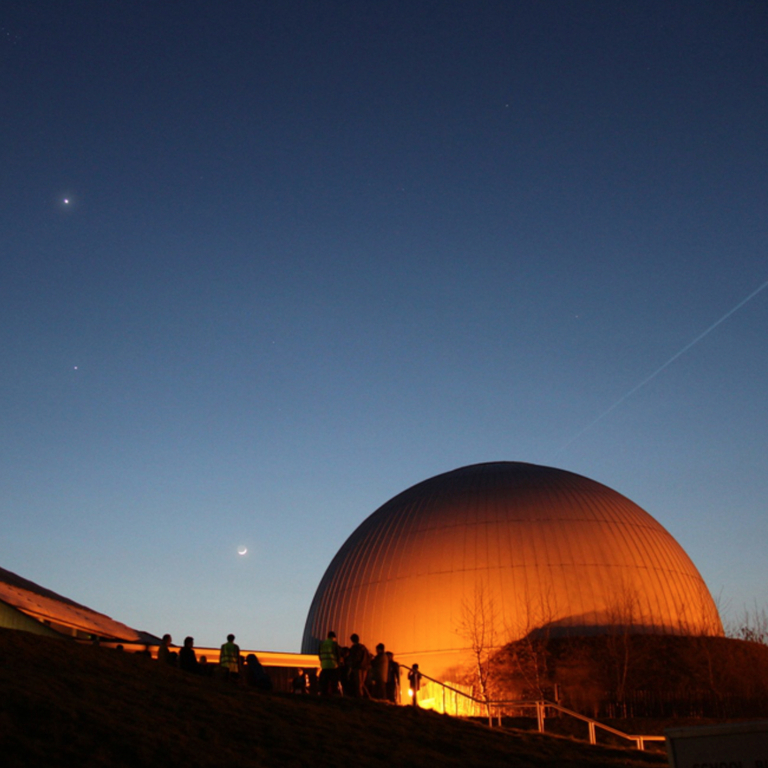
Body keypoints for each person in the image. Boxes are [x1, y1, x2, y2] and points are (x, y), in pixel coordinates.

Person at [346, 633, 371, 698]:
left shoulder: (354, 648)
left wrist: (351, 668)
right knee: (362, 683)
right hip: (364, 667)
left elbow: (353, 658)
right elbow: (368, 656)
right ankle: (367, 696)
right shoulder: (363, 647)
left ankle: (360, 697)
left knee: (359, 684)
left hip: (358, 667)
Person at [317, 631, 340, 695]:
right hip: (333, 666)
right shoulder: (334, 644)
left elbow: (319, 655)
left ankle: (324, 694)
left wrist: (323, 661)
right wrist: (338, 664)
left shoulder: (322, 644)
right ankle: (333, 694)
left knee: (324, 682)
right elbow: (338, 655)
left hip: (324, 666)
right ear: (333, 637)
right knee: (333, 682)